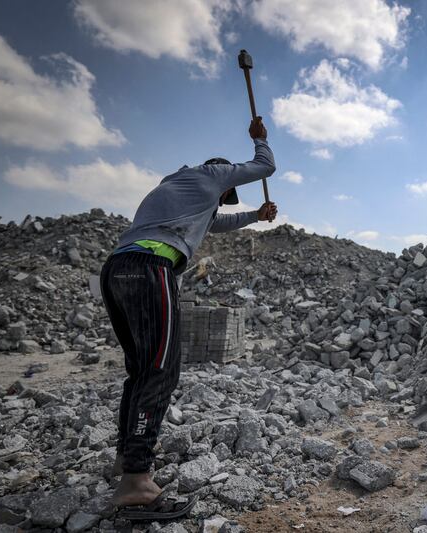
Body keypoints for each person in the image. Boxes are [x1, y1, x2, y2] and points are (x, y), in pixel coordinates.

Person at [100, 116, 277, 520]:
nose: (224, 199)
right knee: (161, 371)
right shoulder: (213, 173)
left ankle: (125, 459)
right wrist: (261, 141)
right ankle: (136, 482)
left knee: (140, 371)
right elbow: (265, 167)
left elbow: (219, 222)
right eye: (227, 193)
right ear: (225, 180)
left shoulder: (175, 189)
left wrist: (256, 216)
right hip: (151, 268)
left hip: (117, 270)